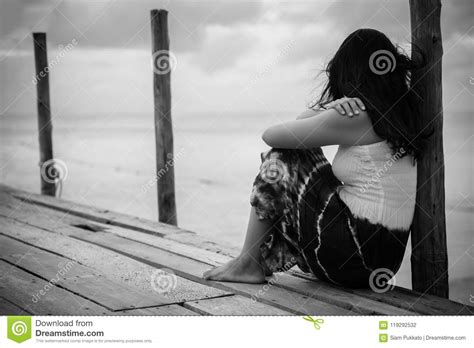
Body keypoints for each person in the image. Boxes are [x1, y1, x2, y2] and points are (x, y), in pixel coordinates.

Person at [203, 28, 428, 288]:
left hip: (353, 253)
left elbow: (273, 136)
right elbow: (298, 133)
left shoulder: (357, 115)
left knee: (282, 157)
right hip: (379, 263)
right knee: (296, 153)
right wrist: (331, 109)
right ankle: (250, 261)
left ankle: (249, 262)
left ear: (348, 72)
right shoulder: (401, 117)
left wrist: (327, 107)